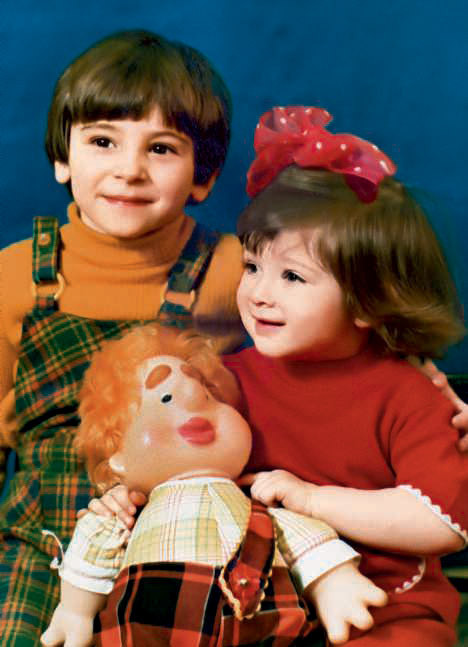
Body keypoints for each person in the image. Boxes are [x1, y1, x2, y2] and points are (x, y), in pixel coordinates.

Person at [0, 29, 245, 645]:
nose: (129, 170)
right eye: (103, 141)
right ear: (63, 157)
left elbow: (323, 354)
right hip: (39, 546)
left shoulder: (234, 272)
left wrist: (428, 385)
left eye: (160, 148)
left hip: (179, 544)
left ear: (203, 176)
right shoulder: (15, 276)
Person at [221, 106, 468, 646]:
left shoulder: (409, 393)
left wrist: (313, 499)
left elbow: (441, 524)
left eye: (292, 276)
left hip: (386, 610)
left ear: (368, 300)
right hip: (258, 606)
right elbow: (178, 465)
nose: (260, 293)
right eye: (252, 267)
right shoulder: (227, 380)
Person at [41, 324, 386, 647]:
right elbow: (96, 550)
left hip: (265, 626)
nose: (194, 398)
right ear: (118, 456)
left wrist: (332, 583)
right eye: (165, 399)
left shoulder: (257, 502)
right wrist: (75, 612)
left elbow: (302, 540)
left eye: (208, 395)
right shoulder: (126, 516)